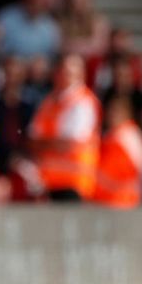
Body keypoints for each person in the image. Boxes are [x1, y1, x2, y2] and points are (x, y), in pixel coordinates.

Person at [28, 53, 101, 201]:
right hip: (49, 182)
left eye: (72, 70)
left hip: (74, 183)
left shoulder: (83, 101)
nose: (66, 74)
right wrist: (47, 143)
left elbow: (69, 143)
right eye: (63, 70)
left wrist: (43, 143)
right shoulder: (49, 101)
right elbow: (31, 140)